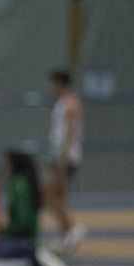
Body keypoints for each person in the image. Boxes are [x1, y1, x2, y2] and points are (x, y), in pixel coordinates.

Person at [46, 69, 86, 252]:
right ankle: (66, 233)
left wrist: (63, 158)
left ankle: (71, 229)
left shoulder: (70, 103)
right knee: (55, 195)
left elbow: (70, 132)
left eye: (53, 84)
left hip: (64, 157)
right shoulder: (63, 102)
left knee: (56, 195)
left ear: (60, 84)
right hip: (59, 155)